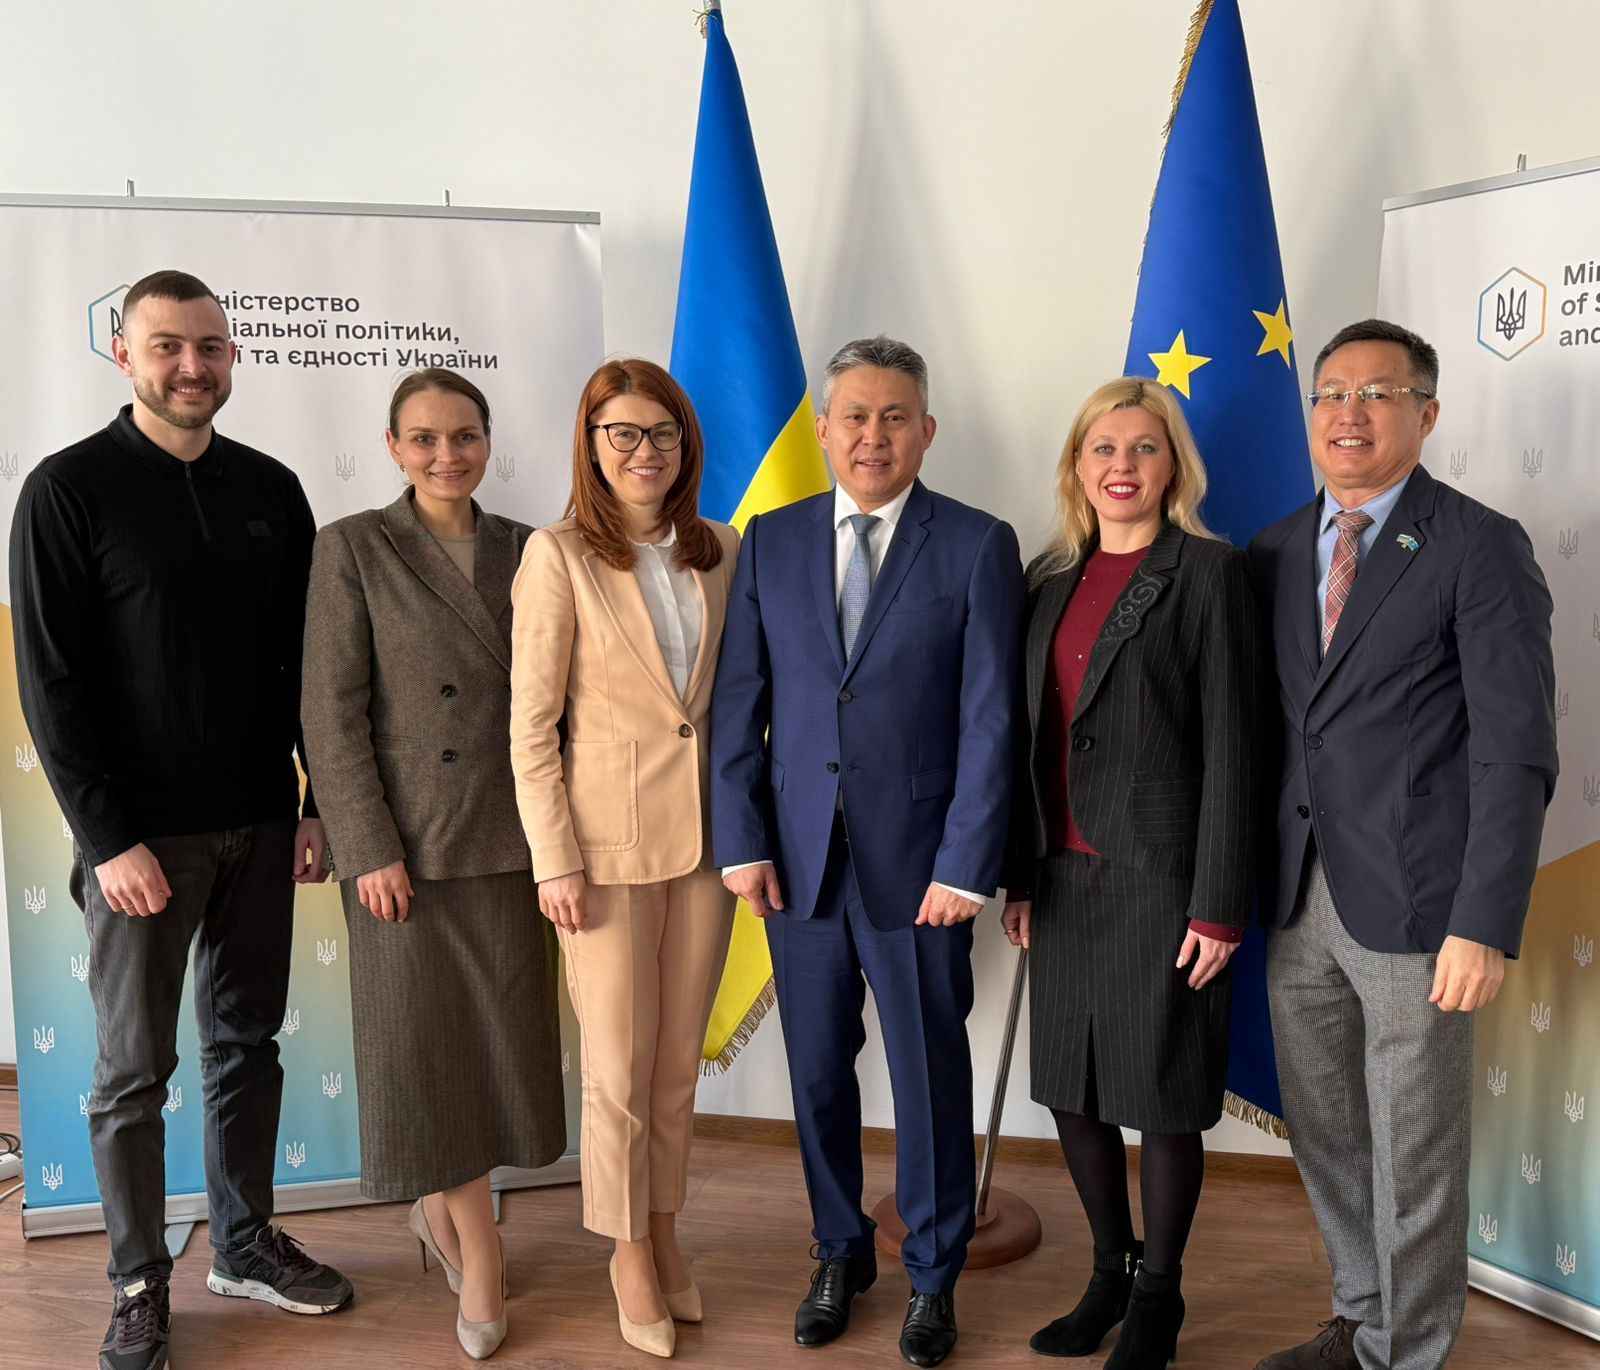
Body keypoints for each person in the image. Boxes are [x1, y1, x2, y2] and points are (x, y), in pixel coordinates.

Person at [8, 270, 352, 1370]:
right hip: (141, 843)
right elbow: (50, 683)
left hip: (261, 824)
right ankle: (136, 1281)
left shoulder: (273, 488)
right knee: (131, 1074)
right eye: (167, 346)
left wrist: (315, 801)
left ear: (232, 354)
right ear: (124, 353)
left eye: (209, 345)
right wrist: (107, 839)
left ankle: (244, 1245)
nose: (191, 366)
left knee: (247, 1044)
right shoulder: (66, 490)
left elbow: (306, 667)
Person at [1248, 320, 1557, 1370]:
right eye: (1331, 393)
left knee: (1414, 1149)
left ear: (1425, 414)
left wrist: (1484, 921)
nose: (1349, 413)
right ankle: (1361, 1317)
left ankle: (1408, 1354)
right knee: (1327, 1129)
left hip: (1422, 905)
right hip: (1295, 894)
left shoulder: (1478, 543)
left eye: (1376, 393)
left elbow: (1514, 751)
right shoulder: (1274, 549)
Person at [710, 335, 1023, 1368]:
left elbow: (991, 718)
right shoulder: (772, 539)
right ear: (824, 429)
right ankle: (839, 1251)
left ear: (926, 430)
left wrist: (966, 861)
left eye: (894, 417)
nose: (873, 435)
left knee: (929, 1075)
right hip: (796, 866)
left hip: (922, 870)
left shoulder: (976, 543)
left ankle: (933, 1274)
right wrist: (741, 840)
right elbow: (741, 702)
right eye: (854, 415)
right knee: (814, 1074)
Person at [300, 368, 565, 1360]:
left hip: (512, 841)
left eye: (464, 436)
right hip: (403, 854)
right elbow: (330, 714)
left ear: (488, 442)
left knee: (499, 1054)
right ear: (392, 446)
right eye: (424, 438)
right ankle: (480, 1252)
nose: (446, 455)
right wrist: (367, 847)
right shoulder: (352, 547)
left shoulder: (530, 547)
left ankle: (441, 1216)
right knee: (425, 1057)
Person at [1000, 378, 1265, 1368]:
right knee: (1070, 1089)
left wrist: (1219, 904)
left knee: (1159, 1093)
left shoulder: (1208, 573)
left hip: (1164, 880)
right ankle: (1107, 1271)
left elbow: (1236, 747)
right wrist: (1019, 875)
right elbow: (1027, 739)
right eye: (1102, 448)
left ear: (1172, 466)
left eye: (1143, 448)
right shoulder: (1046, 579)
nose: (1121, 465)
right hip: (1061, 874)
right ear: (1077, 465)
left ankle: (1159, 1293)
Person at [509, 357, 738, 1360]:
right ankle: (628, 1250)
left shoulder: (721, 548)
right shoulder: (556, 555)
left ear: (686, 444)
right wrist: (553, 858)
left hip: (708, 845)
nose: (646, 451)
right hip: (602, 853)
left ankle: (667, 1223)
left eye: (663, 433)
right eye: (624, 434)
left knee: (677, 1062)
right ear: (593, 446)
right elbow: (531, 727)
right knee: (617, 1068)